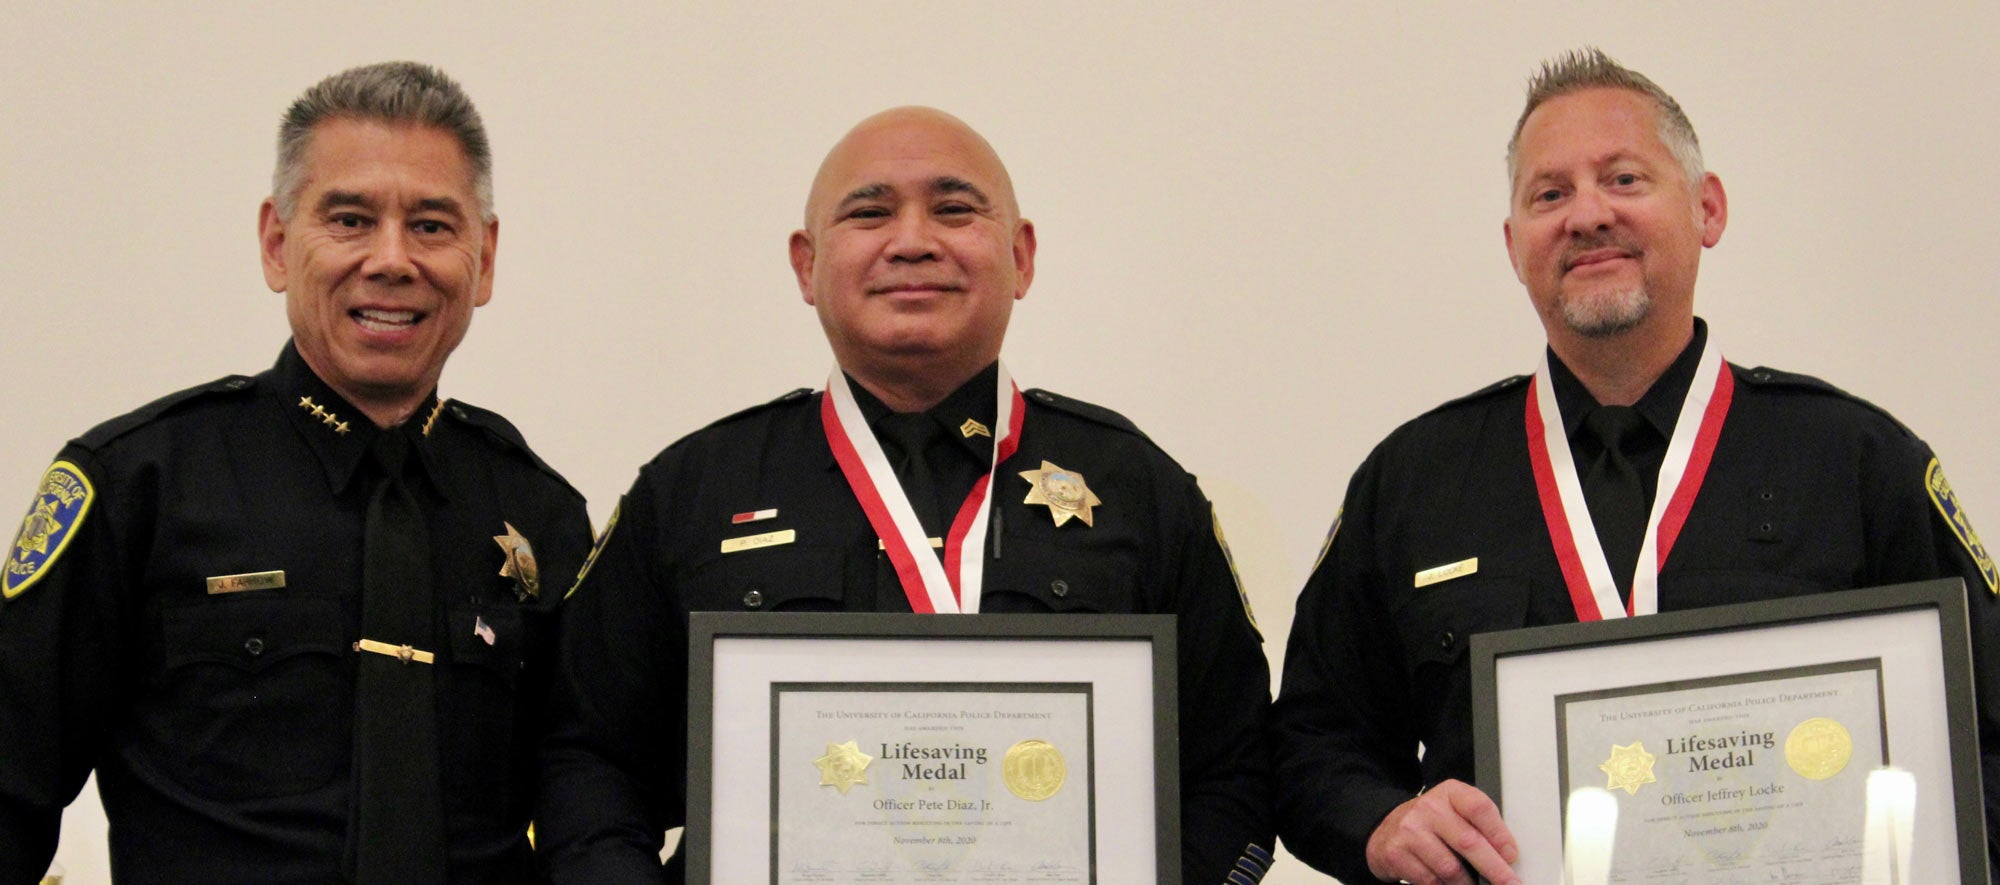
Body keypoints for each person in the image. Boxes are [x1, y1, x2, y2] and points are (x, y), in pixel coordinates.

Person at [1272, 47, 2000, 885]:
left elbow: (1991, 737)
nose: (1586, 216)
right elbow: (1311, 743)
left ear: (1707, 209)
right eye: (1550, 194)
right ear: (1515, 245)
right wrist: (1384, 822)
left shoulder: (1854, 461)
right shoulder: (1413, 481)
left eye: (1623, 179)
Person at [538, 106, 1274, 884]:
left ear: (1021, 257)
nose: (915, 239)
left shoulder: (1136, 487)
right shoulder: (692, 490)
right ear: (806, 263)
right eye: (870, 212)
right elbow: (586, 759)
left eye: (955, 210)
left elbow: (1239, 768)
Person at [0, 61, 591, 883]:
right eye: (350, 219)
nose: (391, 260)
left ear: (484, 258)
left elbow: (588, 802)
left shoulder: (537, 511)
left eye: (430, 225)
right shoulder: (140, 485)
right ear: (278, 243)